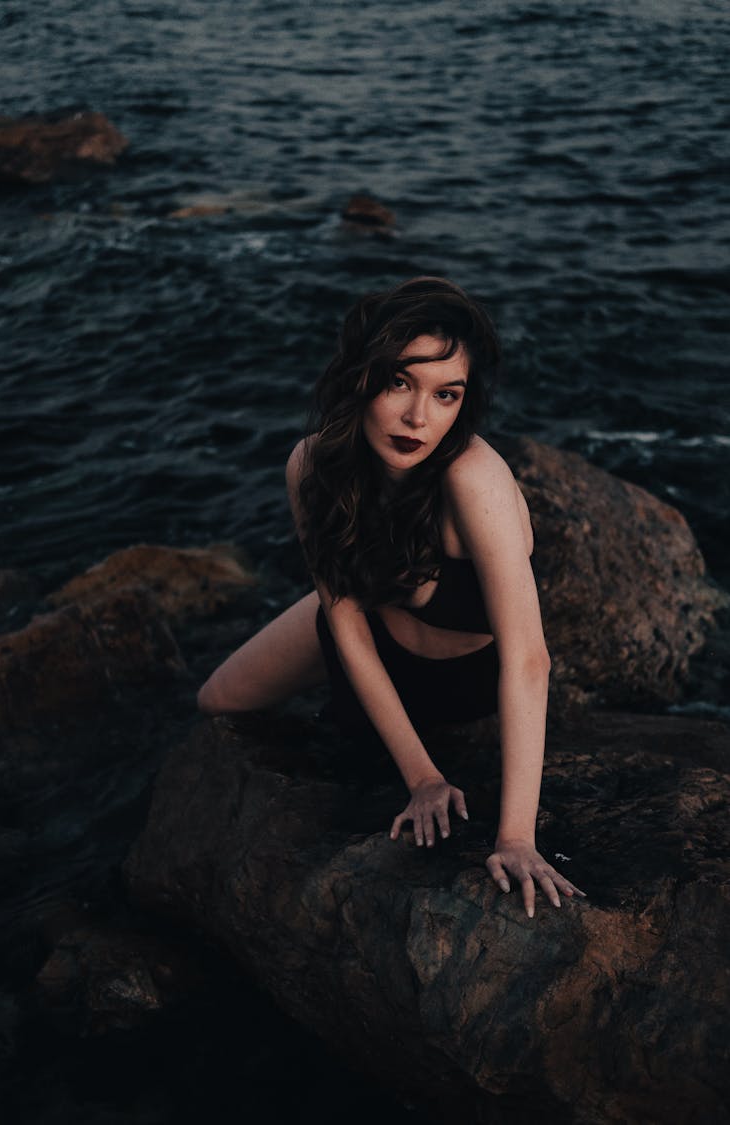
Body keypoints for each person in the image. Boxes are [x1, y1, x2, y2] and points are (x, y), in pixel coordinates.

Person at [198, 276, 585, 918]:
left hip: (457, 679)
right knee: (218, 700)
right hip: (376, 633)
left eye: (446, 395)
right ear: (360, 378)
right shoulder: (311, 465)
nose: (418, 418)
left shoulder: (473, 478)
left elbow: (527, 660)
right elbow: (343, 621)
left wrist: (516, 836)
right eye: (399, 382)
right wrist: (423, 777)